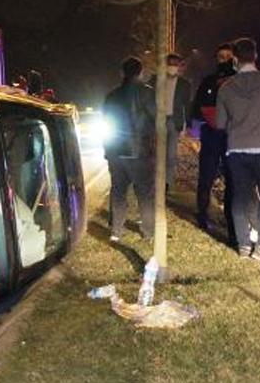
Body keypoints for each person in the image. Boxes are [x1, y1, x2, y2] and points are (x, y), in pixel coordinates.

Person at [216, 37, 260, 262]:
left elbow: (220, 123)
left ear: (235, 59)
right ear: (255, 56)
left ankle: (244, 245)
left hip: (238, 150)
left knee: (240, 197)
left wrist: (239, 128)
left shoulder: (226, 87)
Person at [102, 56, 156, 243]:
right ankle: (148, 231)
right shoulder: (148, 93)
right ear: (141, 72)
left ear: (121, 73)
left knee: (118, 190)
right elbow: (157, 119)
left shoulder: (111, 96)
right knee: (145, 192)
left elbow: (105, 123)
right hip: (140, 150)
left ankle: (116, 230)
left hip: (116, 151)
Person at [191, 43, 238, 242]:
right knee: (205, 179)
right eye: (221, 56)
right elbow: (196, 107)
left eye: (228, 56)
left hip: (233, 138)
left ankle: (231, 221)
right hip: (210, 137)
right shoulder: (208, 81)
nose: (224, 59)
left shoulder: (240, 81)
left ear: (234, 59)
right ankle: (203, 217)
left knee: (233, 182)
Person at [149, 53, 192, 190]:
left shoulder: (184, 84)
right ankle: (156, 181)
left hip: (174, 120)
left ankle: (167, 183)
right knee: (157, 153)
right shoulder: (156, 80)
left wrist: (188, 124)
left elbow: (187, 104)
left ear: (179, 66)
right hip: (158, 120)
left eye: (175, 64)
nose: (172, 67)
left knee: (171, 155)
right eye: (170, 64)